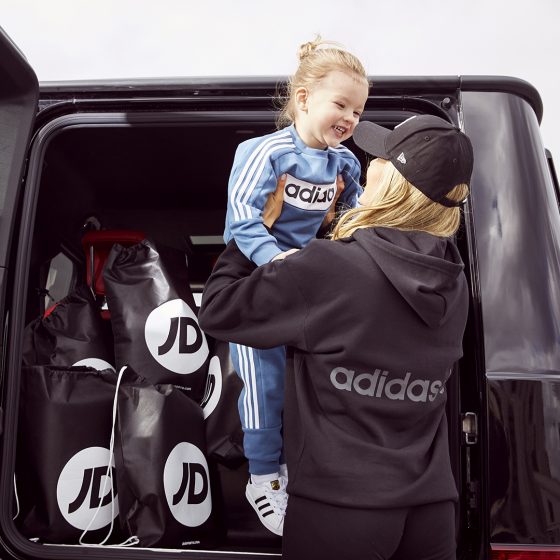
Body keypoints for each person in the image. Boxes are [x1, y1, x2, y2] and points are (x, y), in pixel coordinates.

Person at [200, 113, 473, 560]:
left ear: (395, 182)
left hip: (341, 510)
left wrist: (256, 230)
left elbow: (219, 310)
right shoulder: (453, 279)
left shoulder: (330, 268)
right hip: (431, 510)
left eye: (382, 157)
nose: (371, 164)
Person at [222, 36, 369, 535]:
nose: (350, 118)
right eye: (341, 105)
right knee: (262, 383)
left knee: (307, 381)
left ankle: (299, 471)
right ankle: (262, 477)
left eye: (358, 110)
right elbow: (242, 221)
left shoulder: (344, 163)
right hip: (259, 286)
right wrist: (276, 261)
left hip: (306, 290)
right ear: (304, 99)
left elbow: (356, 219)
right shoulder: (265, 152)